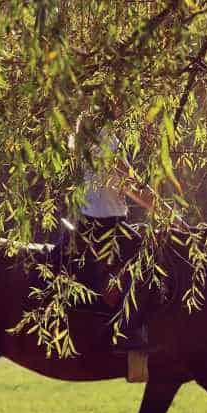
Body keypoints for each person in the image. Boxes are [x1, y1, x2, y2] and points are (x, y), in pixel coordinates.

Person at [69, 112, 157, 352]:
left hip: (87, 221)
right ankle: (129, 329)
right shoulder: (105, 137)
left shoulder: (82, 136)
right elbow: (130, 184)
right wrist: (164, 211)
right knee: (146, 253)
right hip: (105, 223)